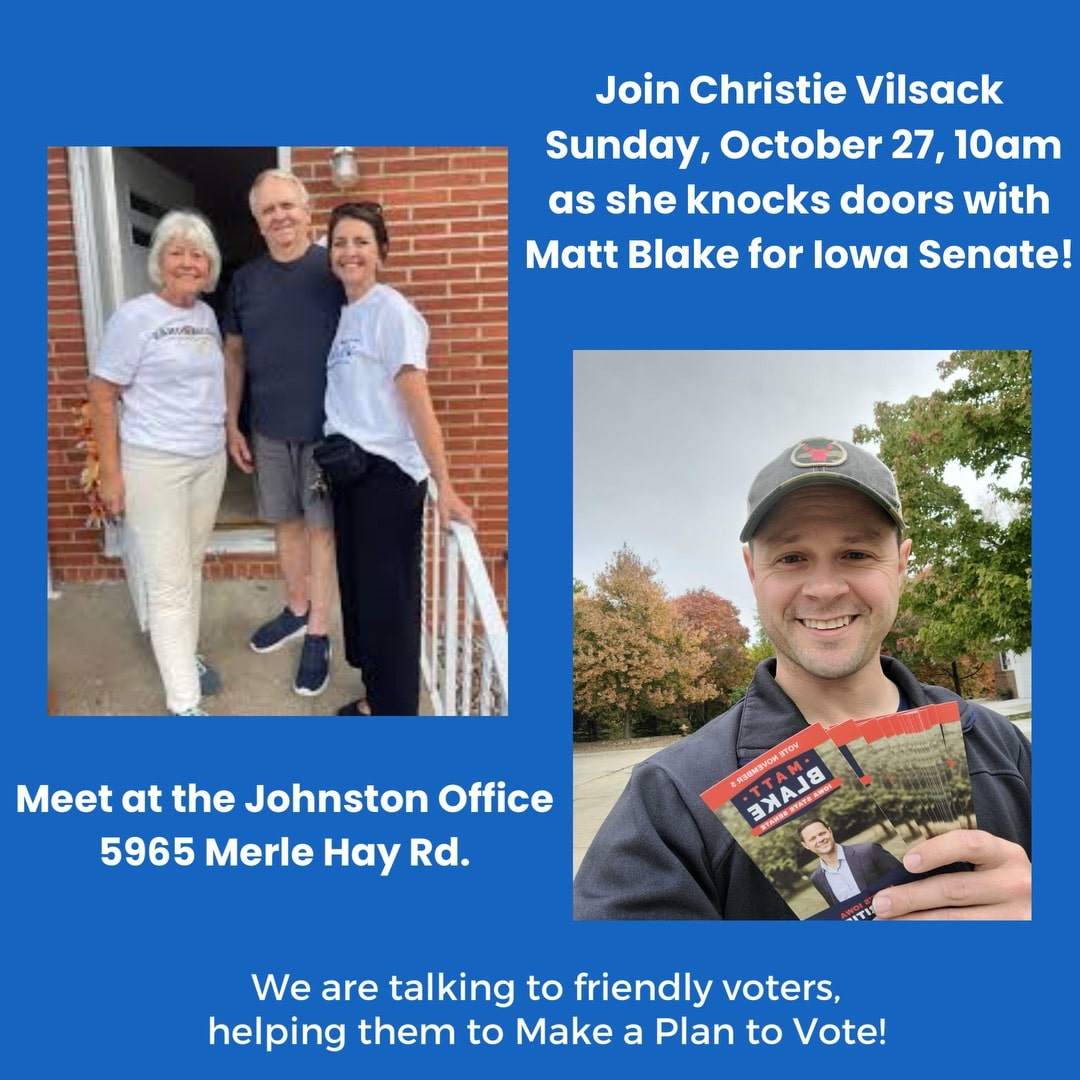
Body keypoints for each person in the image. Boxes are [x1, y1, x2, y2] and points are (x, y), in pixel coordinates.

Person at [573, 436, 1031, 920]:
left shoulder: (1000, 745)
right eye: (791, 558)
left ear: (901, 564)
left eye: (856, 553)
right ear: (752, 571)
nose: (825, 589)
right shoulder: (673, 798)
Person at [322, 201, 474, 716]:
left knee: (390, 607)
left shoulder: (391, 312)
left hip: (385, 481)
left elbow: (416, 399)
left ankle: (394, 716)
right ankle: (375, 699)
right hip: (350, 478)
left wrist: (445, 486)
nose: (350, 252)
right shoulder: (349, 312)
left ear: (381, 252)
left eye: (361, 242)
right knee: (365, 600)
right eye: (340, 242)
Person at [88, 210, 227, 716]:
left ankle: (184, 657)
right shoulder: (135, 317)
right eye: (177, 251)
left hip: (207, 460)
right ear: (160, 261)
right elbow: (102, 393)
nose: (188, 262)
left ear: (209, 264)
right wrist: (110, 471)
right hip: (155, 464)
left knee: (188, 568)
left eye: (198, 253)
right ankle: (184, 706)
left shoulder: (206, 316)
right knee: (169, 581)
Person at [222, 169, 345, 697]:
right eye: (268, 210)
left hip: (325, 432)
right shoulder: (245, 281)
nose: (280, 216)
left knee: (322, 531)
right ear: (257, 221)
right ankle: (296, 609)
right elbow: (234, 355)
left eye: (287, 206)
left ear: (306, 206)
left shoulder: (335, 270)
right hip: (268, 429)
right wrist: (232, 422)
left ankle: (318, 633)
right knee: (285, 524)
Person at [796, 819, 904, 906]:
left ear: (830, 831)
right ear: (805, 845)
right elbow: (839, 912)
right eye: (812, 838)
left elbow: (904, 879)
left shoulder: (869, 851)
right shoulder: (817, 878)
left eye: (822, 833)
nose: (820, 839)